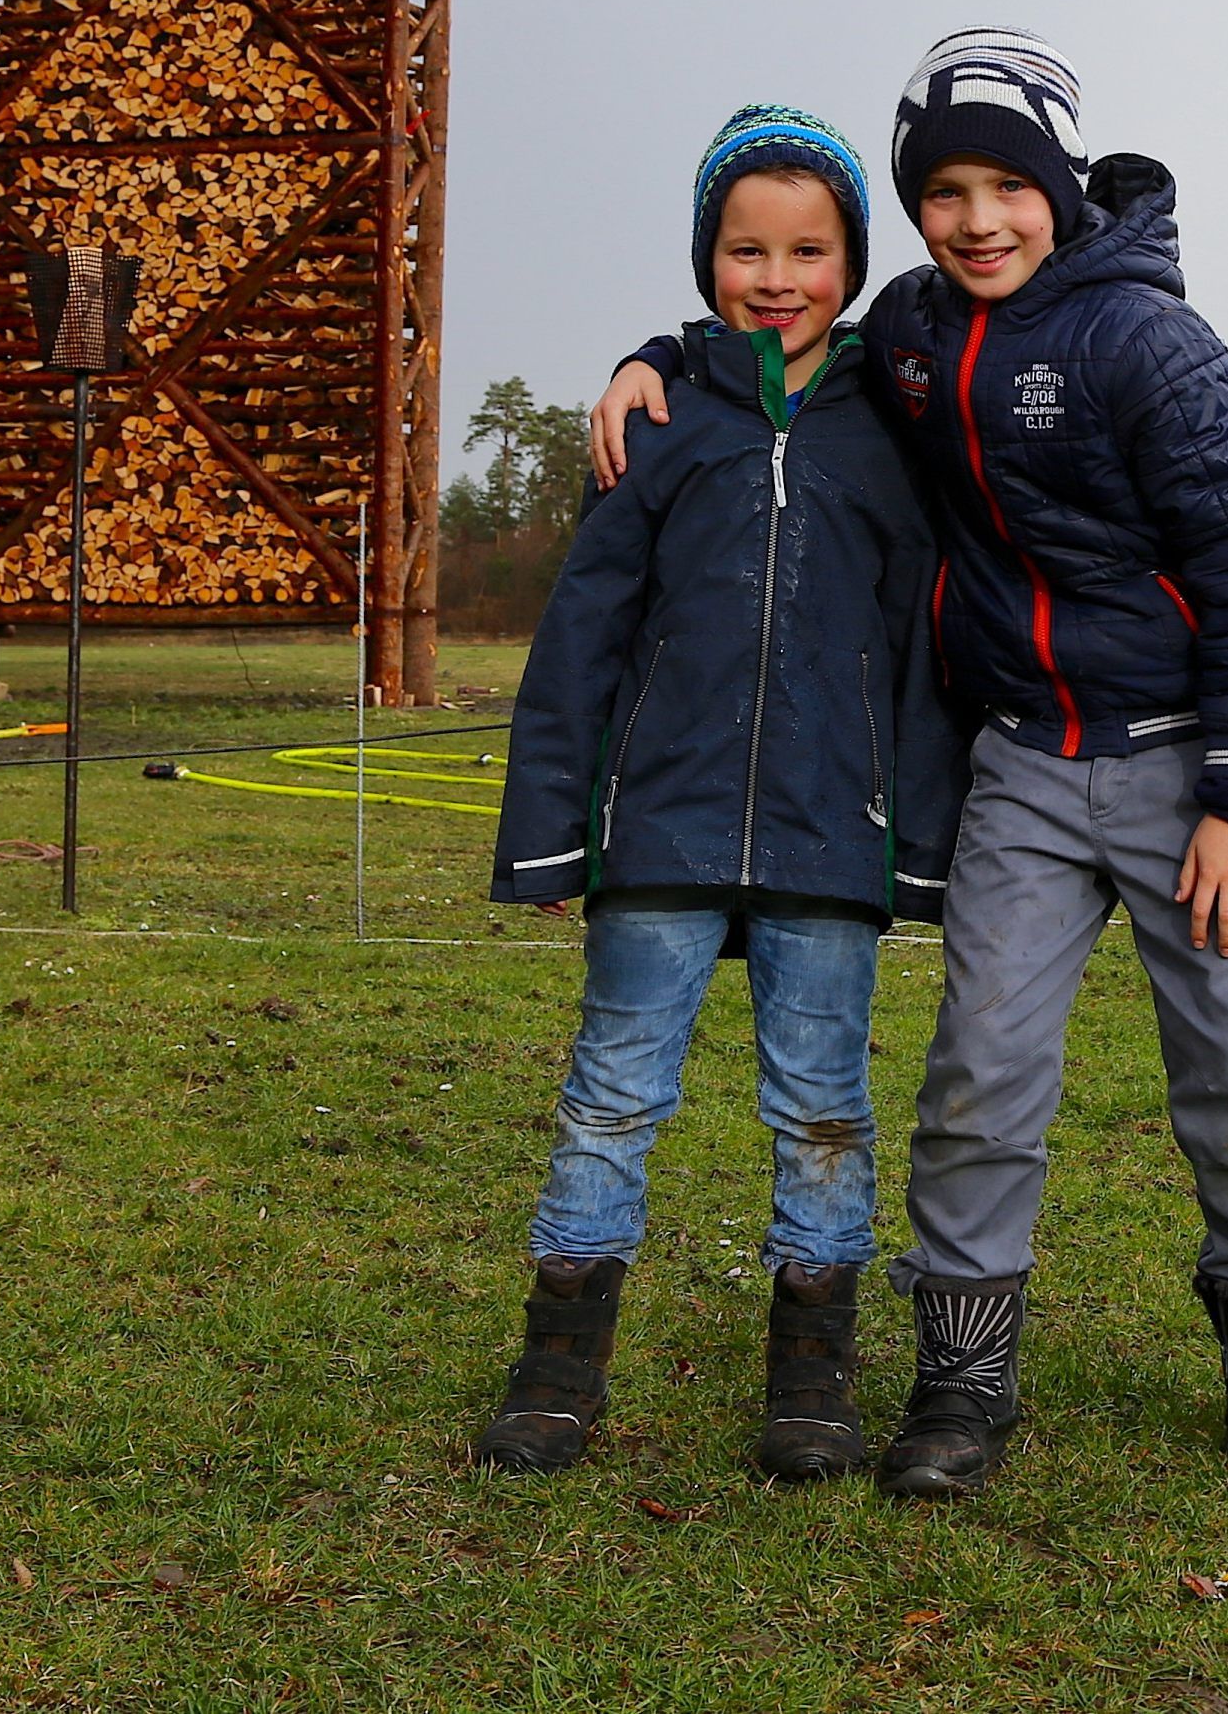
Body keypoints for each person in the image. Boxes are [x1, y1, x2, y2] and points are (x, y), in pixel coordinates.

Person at [588, 32, 1228, 1508]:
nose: (975, 217)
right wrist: (652, 357)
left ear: (1060, 186)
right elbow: (777, 333)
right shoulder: (906, 329)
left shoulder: (1144, 338)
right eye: (941, 188)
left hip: (1186, 779)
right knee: (979, 1077)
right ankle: (962, 1379)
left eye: (1005, 182)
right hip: (1018, 764)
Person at [473, 106, 962, 1484]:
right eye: (746, 246)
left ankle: (811, 1381)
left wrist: (916, 850)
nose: (776, 273)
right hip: (662, 831)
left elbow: (926, 653)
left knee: (822, 1106)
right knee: (610, 1096)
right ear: (706, 258)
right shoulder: (662, 416)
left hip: (830, 837)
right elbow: (582, 638)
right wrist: (551, 828)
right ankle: (556, 1371)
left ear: (851, 260)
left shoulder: (895, 431)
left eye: (809, 247)